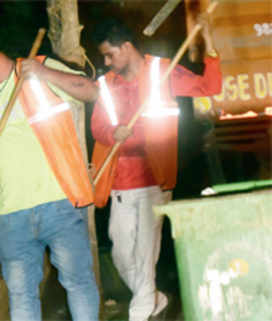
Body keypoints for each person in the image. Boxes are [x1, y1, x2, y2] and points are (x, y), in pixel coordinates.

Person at [0, 24, 99, 321]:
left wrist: (45, 75)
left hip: (60, 204)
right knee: (20, 293)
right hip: (10, 215)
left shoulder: (39, 69)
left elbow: (91, 91)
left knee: (78, 282)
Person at [90, 16, 222, 321]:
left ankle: (139, 314)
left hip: (155, 178)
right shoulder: (106, 85)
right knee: (123, 256)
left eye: (110, 54)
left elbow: (208, 85)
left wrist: (208, 40)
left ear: (126, 47)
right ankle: (156, 300)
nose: (107, 61)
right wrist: (113, 133)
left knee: (145, 253)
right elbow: (98, 127)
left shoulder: (161, 72)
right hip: (119, 181)